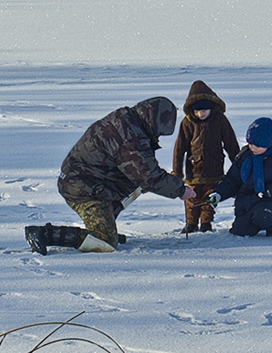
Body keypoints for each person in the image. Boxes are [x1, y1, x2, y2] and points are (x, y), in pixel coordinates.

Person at [24, 96, 195, 254]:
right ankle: (45, 234)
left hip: (89, 181)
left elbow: (141, 173)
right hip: (83, 188)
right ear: (154, 121)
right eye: (160, 131)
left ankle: (105, 224)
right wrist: (180, 190)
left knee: (137, 186)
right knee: (106, 241)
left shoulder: (127, 120)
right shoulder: (130, 136)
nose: (158, 136)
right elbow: (149, 175)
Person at [209, 117, 272, 237]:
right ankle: (252, 224)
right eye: (251, 144)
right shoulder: (244, 157)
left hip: (269, 200)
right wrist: (219, 194)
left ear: (268, 143)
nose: (253, 148)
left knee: (264, 215)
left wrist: (268, 191)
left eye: (258, 146)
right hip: (245, 202)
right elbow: (232, 180)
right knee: (240, 231)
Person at [172, 80, 240, 233]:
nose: (200, 114)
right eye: (197, 111)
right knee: (192, 197)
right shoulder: (187, 123)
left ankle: (206, 223)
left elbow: (230, 143)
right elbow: (179, 148)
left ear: (211, 108)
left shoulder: (220, 120)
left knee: (210, 197)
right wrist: (177, 171)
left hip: (214, 168)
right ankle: (191, 224)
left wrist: (238, 164)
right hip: (193, 169)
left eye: (203, 111)